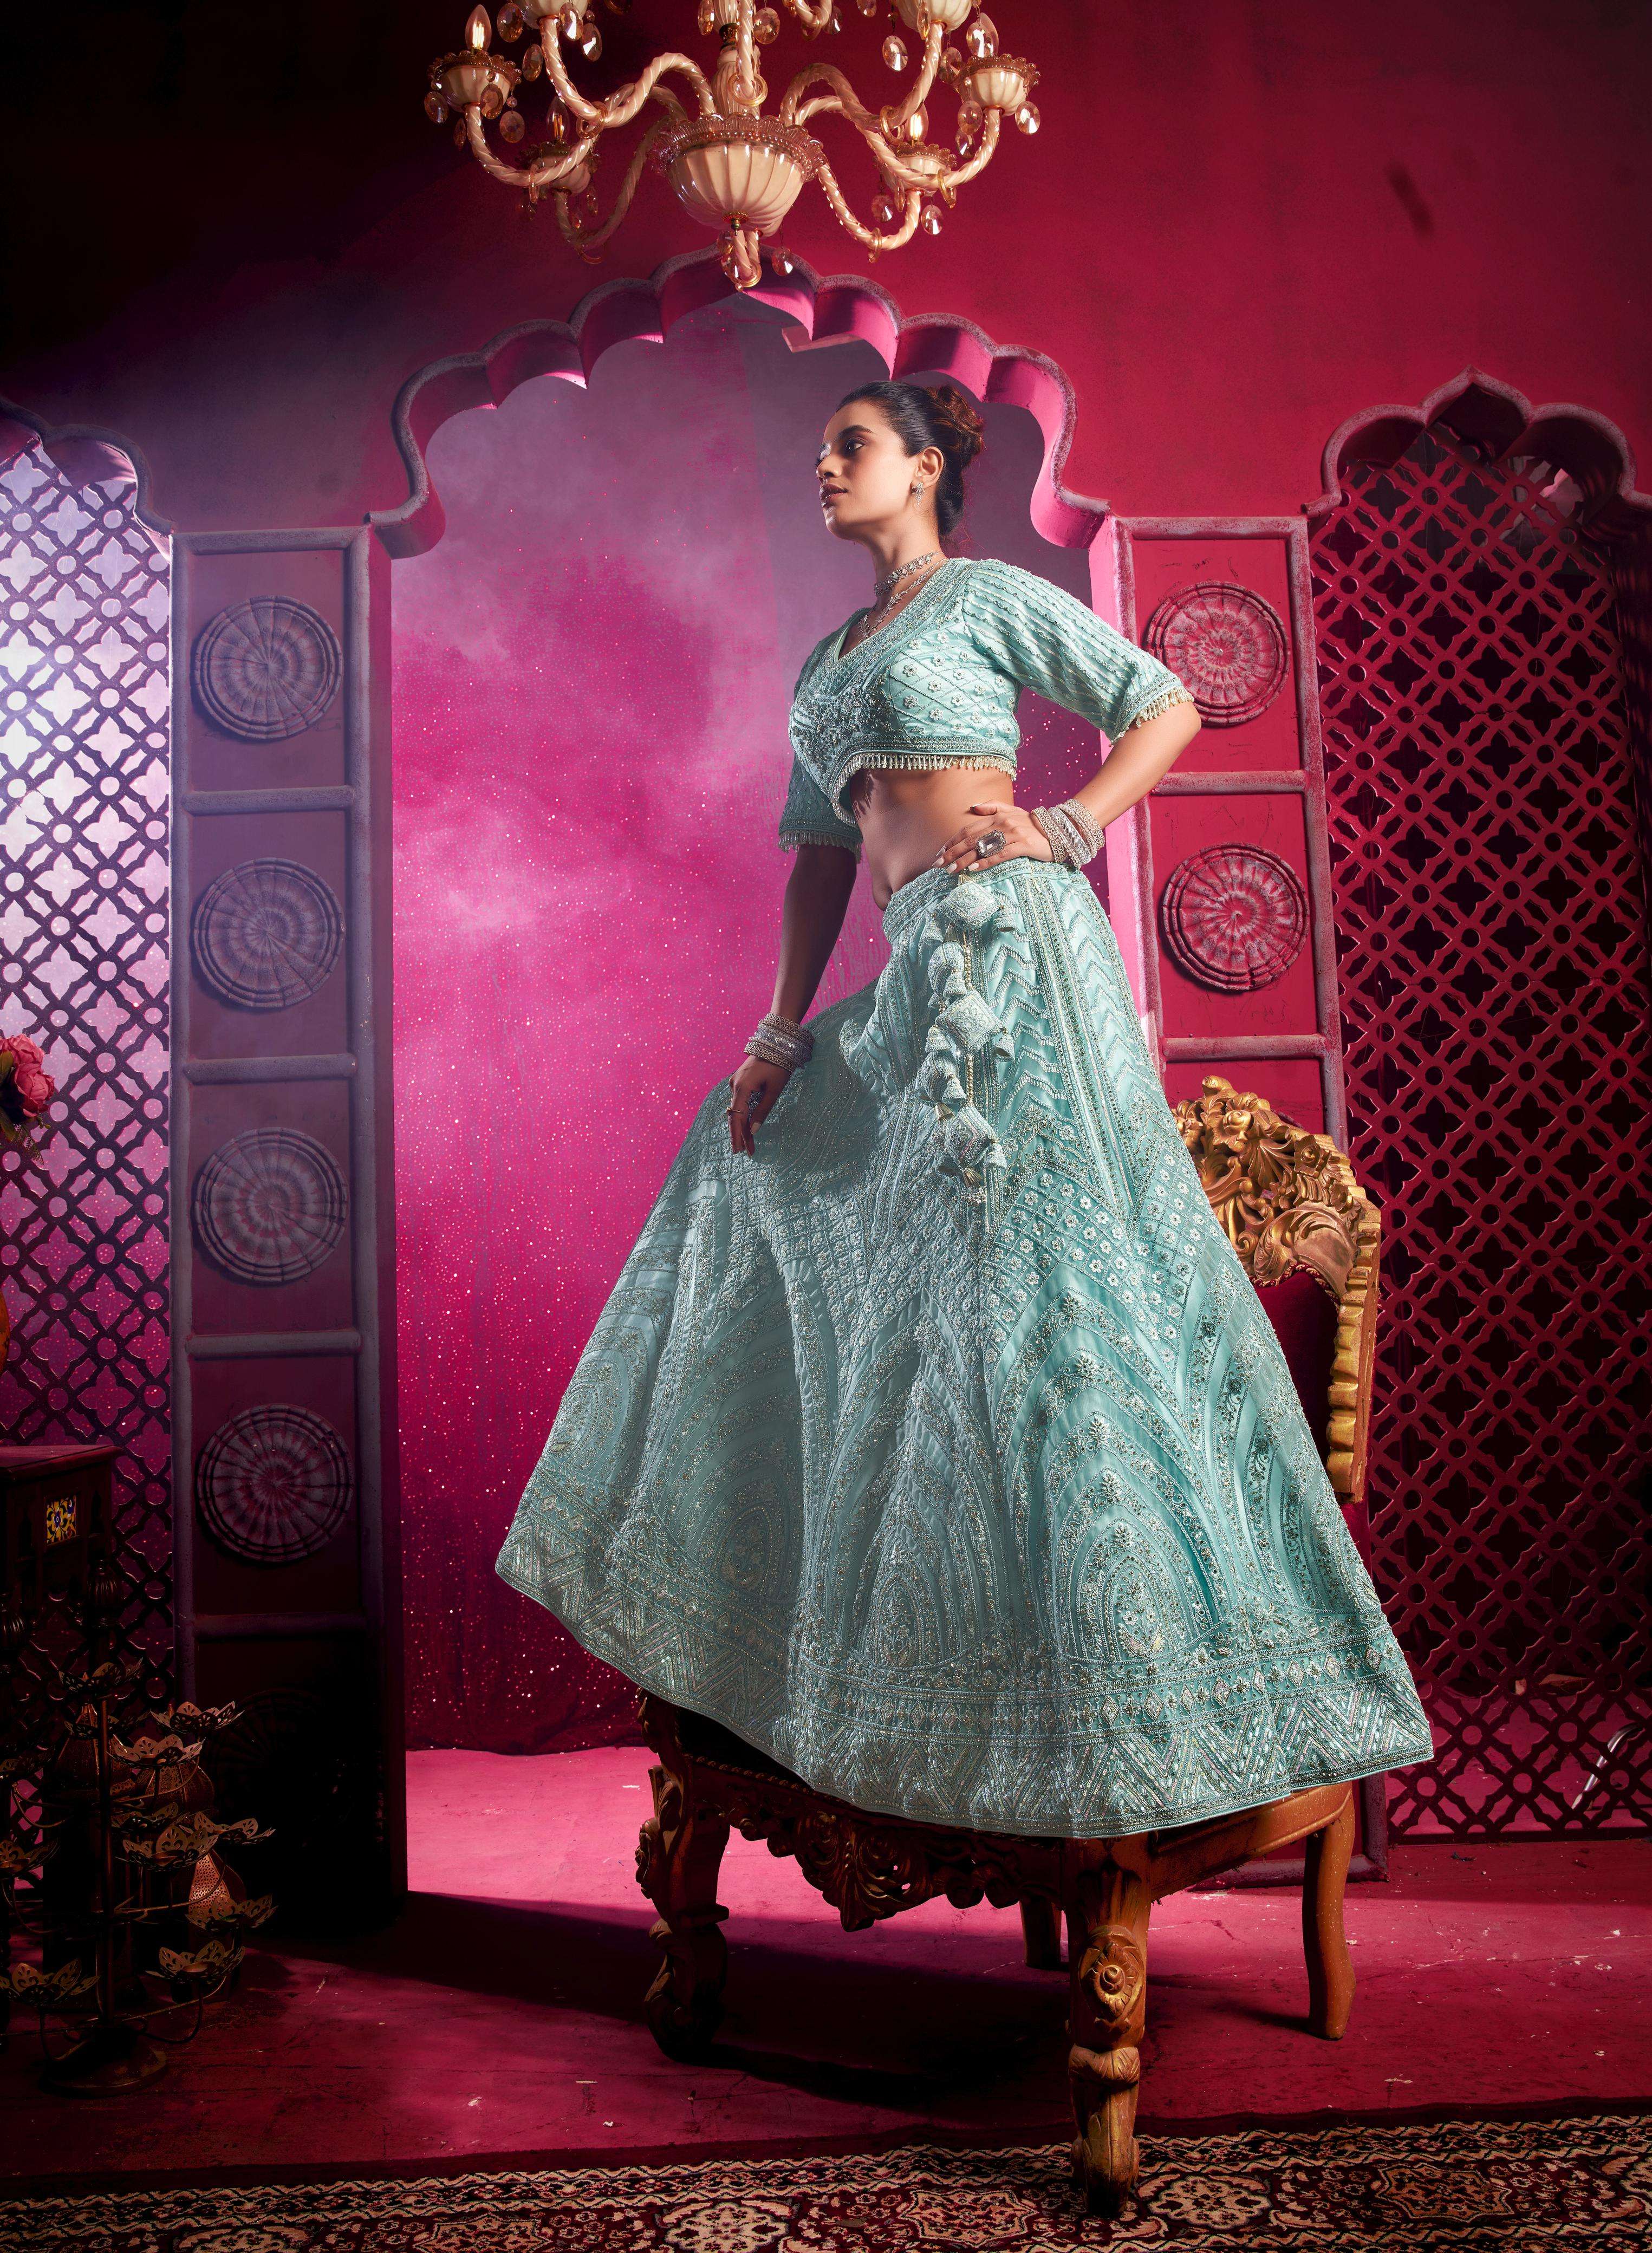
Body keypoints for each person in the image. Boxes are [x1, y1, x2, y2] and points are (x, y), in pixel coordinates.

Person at [496, 378, 1434, 1839]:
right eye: (821, 449)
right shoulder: (826, 663)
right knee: (788, 1204)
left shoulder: (986, 596)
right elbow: (821, 857)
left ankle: (1118, 1693)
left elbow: (1163, 704)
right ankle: (888, 1667)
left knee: (1037, 1297)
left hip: (1012, 949)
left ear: (925, 468)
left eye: (853, 447)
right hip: (912, 970)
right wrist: (778, 1031)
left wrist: (1068, 825)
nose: (825, 466)